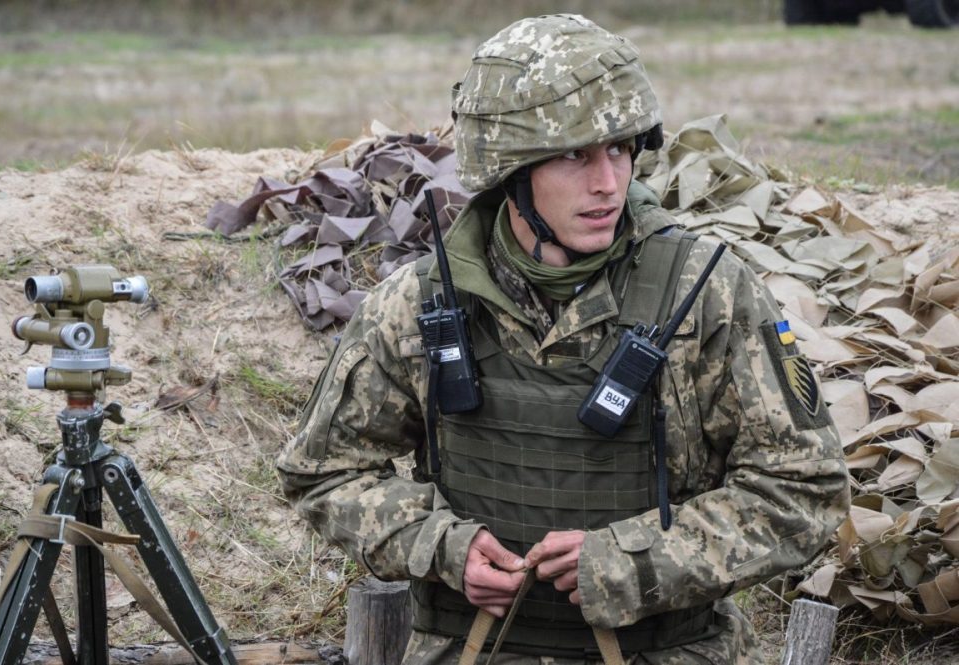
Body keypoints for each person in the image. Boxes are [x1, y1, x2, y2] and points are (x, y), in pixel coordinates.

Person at [277, 14, 849, 664]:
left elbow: (804, 490)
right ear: (510, 171)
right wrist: (439, 546)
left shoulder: (707, 297)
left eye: (621, 149)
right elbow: (323, 472)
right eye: (576, 155)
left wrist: (636, 562)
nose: (608, 182)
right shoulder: (422, 304)